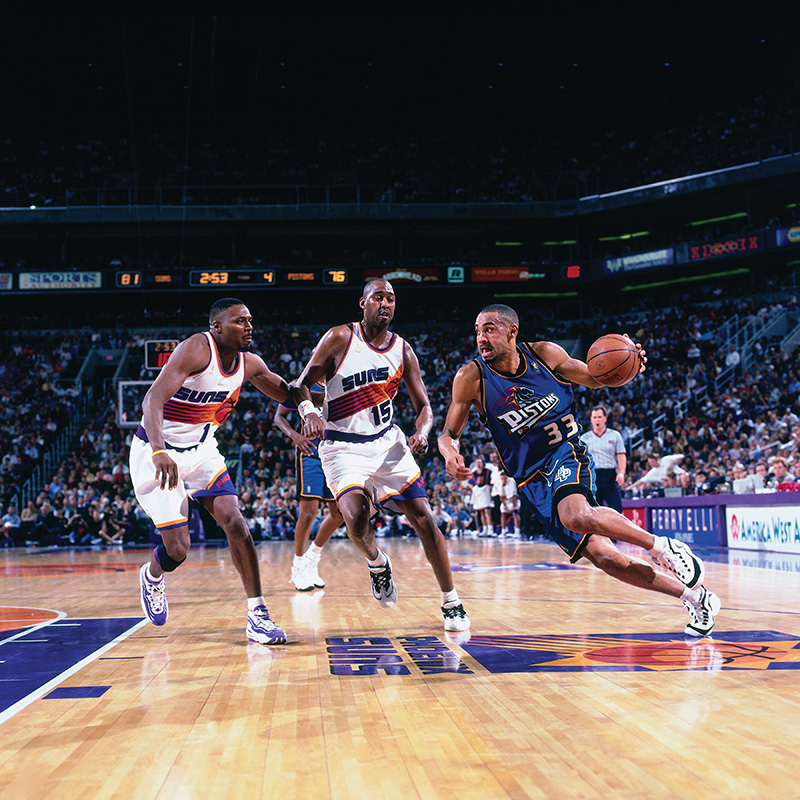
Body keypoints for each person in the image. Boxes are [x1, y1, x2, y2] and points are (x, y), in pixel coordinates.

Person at [437, 303, 721, 637]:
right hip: (531, 481)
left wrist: (629, 366)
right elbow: (448, 435)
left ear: (513, 331)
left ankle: (662, 546)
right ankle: (697, 598)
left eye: (489, 329)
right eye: (477, 330)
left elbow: (596, 378)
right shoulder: (471, 378)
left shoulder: (546, 354)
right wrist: (448, 454)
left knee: (575, 514)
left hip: (565, 452)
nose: (481, 338)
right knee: (606, 558)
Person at [297, 279, 469, 631]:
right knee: (354, 517)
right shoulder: (339, 338)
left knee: (424, 518)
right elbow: (301, 383)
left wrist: (421, 431)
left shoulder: (403, 350)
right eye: (378, 297)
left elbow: (424, 407)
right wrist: (310, 413)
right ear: (363, 303)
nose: (386, 304)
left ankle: (451, 599)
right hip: (343, 445)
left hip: (388, 443)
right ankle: (377, 564)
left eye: (391, 298)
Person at [130, 297, 299, 645]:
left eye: (250, 320)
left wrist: (311, 406)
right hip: (156, 450)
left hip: (203, 451)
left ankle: (258, 614)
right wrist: (160, 451)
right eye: (239, 321)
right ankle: (153, 574)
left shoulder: (250, 364)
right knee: (177, 549)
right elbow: (152, 400)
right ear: (217, 327)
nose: (249, 326)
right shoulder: (196, 349)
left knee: (235, 522)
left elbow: (289, 394)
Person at [274, 398, 344, 591]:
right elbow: (279, 417)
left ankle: (312, 558)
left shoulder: (338, 380)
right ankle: (297, 565)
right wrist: (294, 435)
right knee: (308, 512)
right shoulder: (299, 385)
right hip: (310, 453)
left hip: (335, 452)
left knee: (338, 513)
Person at [580, 406, 625, 513]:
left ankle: (616, 530)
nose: (597, 420)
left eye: (599, 417)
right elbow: (581, 461)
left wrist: (622, 473)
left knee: (617, 510)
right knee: (593, 512)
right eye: (594, 417)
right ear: (591, 419)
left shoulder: (615, 435)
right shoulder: (584, 438)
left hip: (610, 476)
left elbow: (621, 456)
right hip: (593, 477)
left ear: (605, 418)